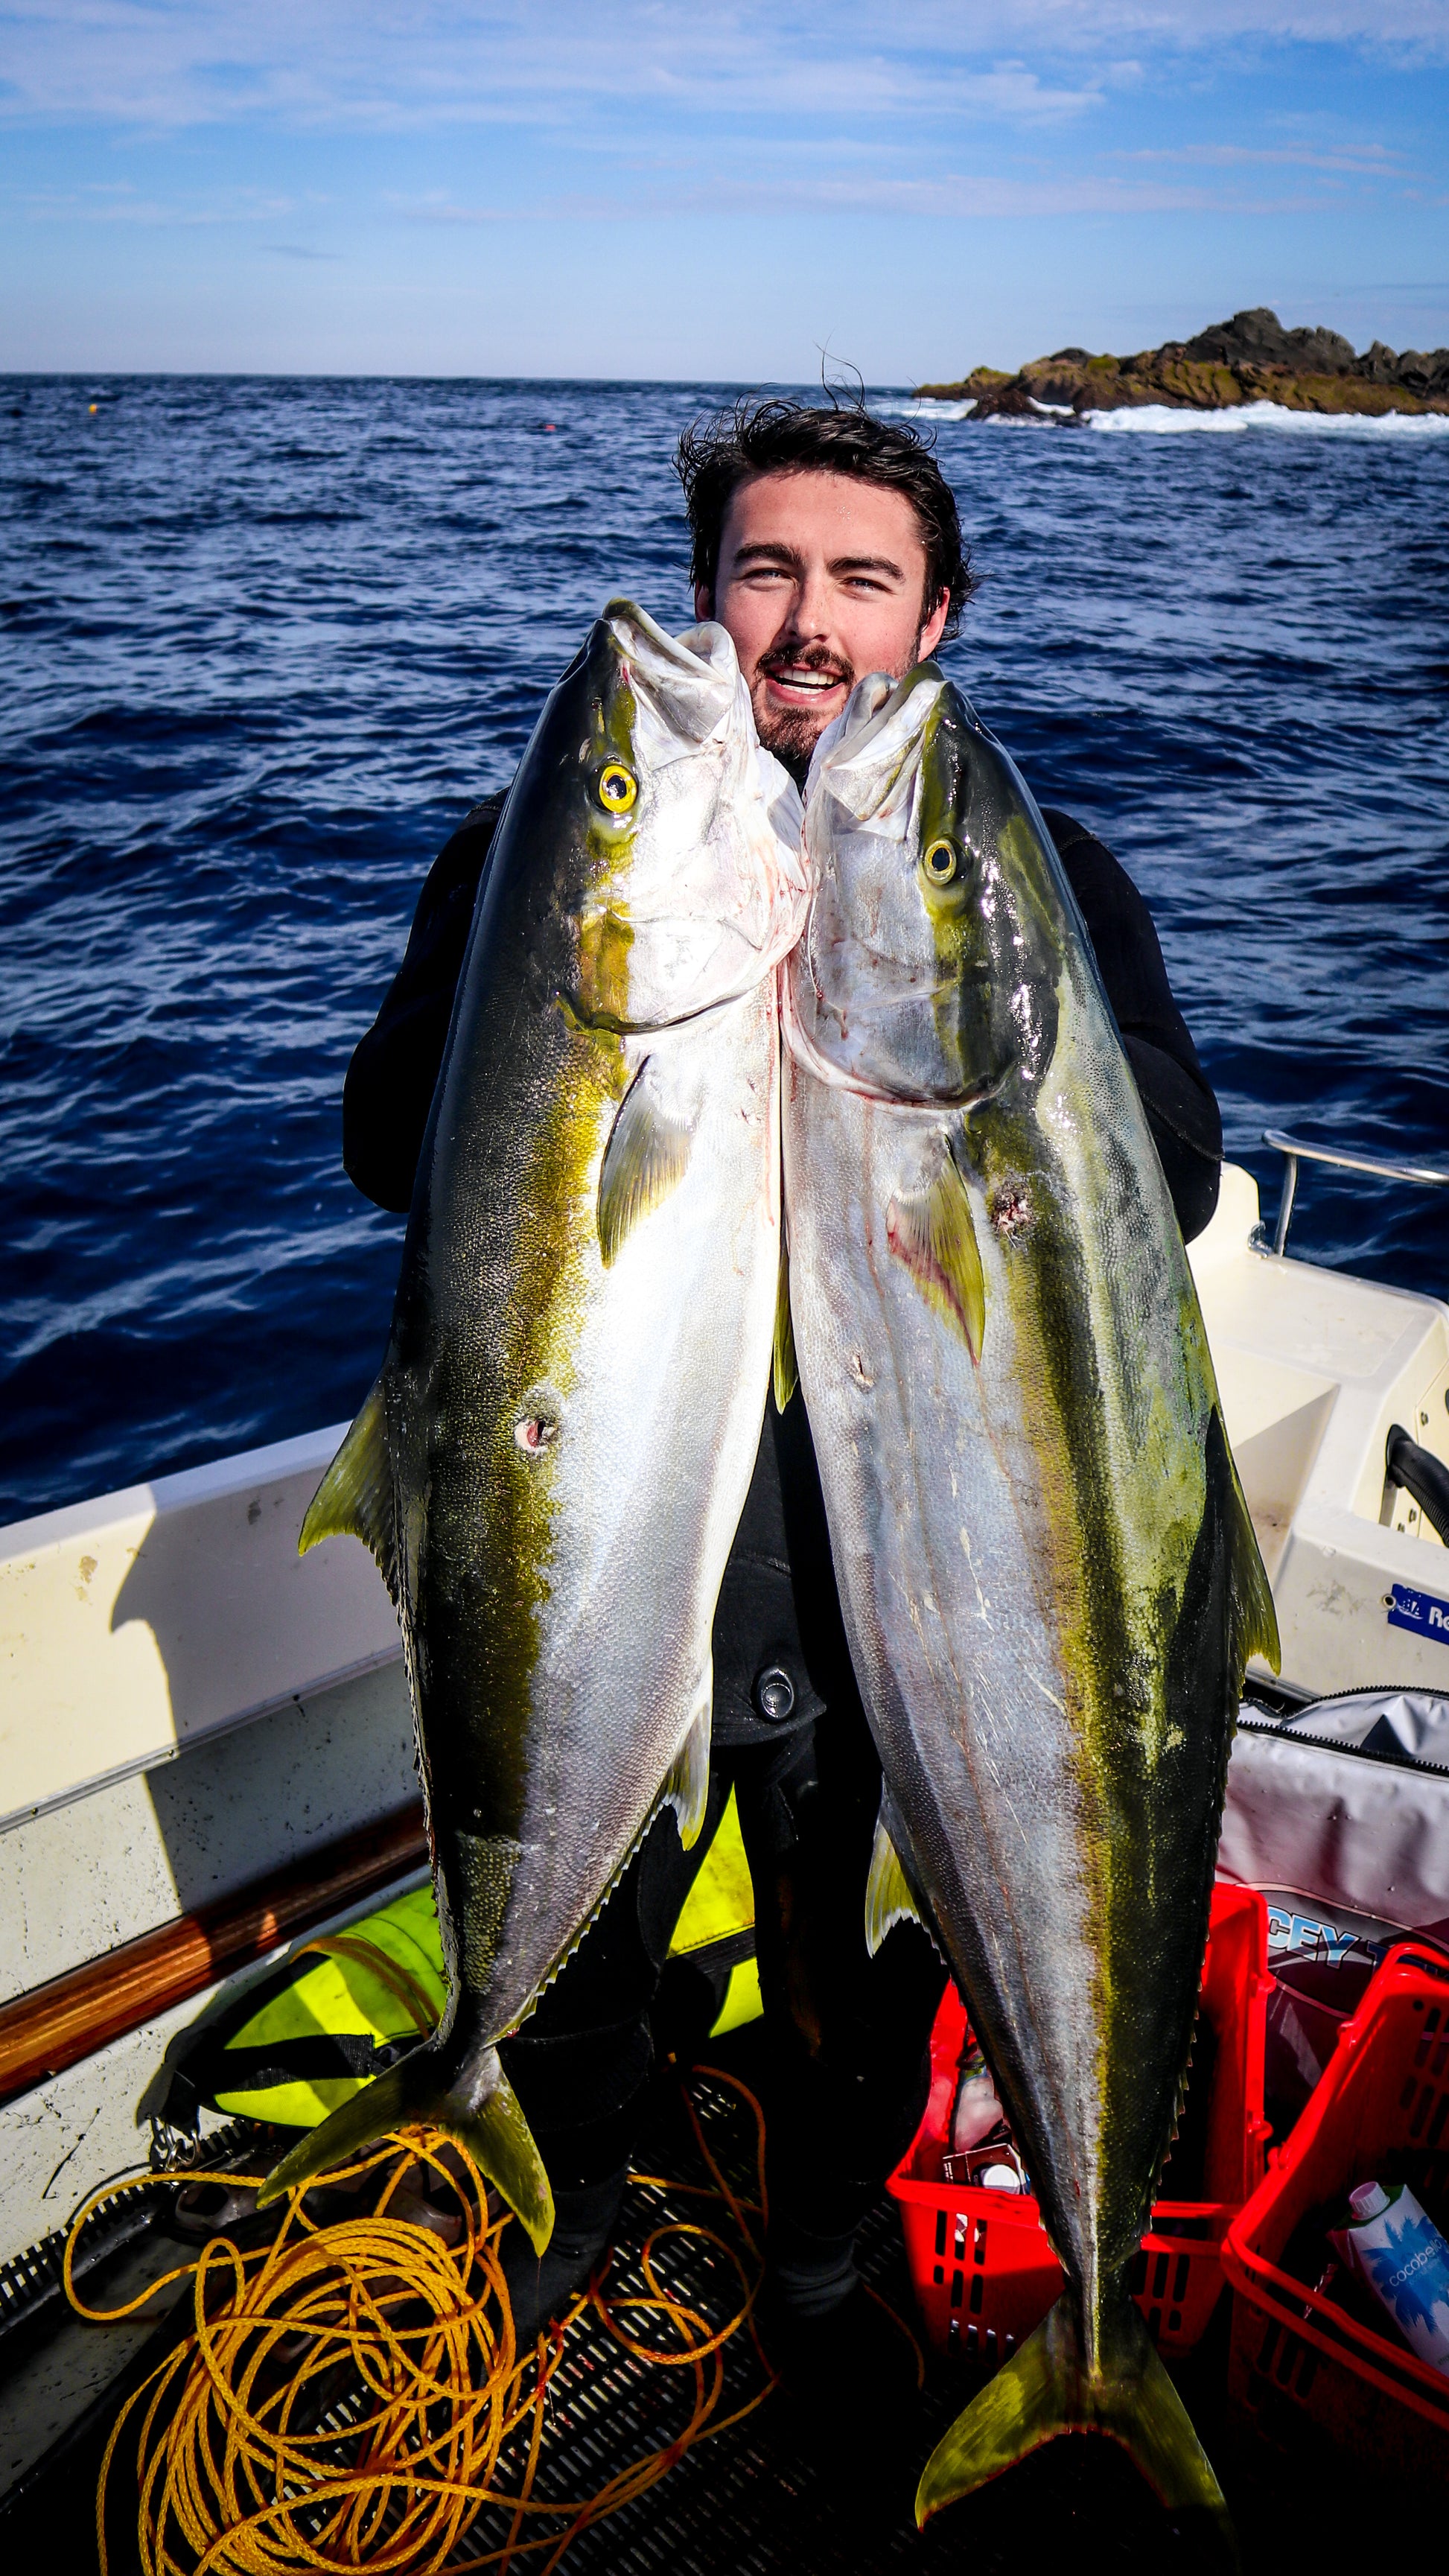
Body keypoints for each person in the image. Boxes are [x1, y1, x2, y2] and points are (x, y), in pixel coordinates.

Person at [341, 398, 1223, 2386]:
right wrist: (568, 965)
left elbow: (1168, 1162)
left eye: (859, 581)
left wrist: (982, 1049)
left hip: (898, 1563)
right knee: (590, 1952)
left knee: (850, 1958)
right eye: (762, 572)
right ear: (706, 599)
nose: (805, 622)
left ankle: (827, 2285)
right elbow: (388, 1142)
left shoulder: (1029, 868)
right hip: (633, 1532)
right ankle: (538, 2224)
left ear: (936, 618)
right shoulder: (546, 846)